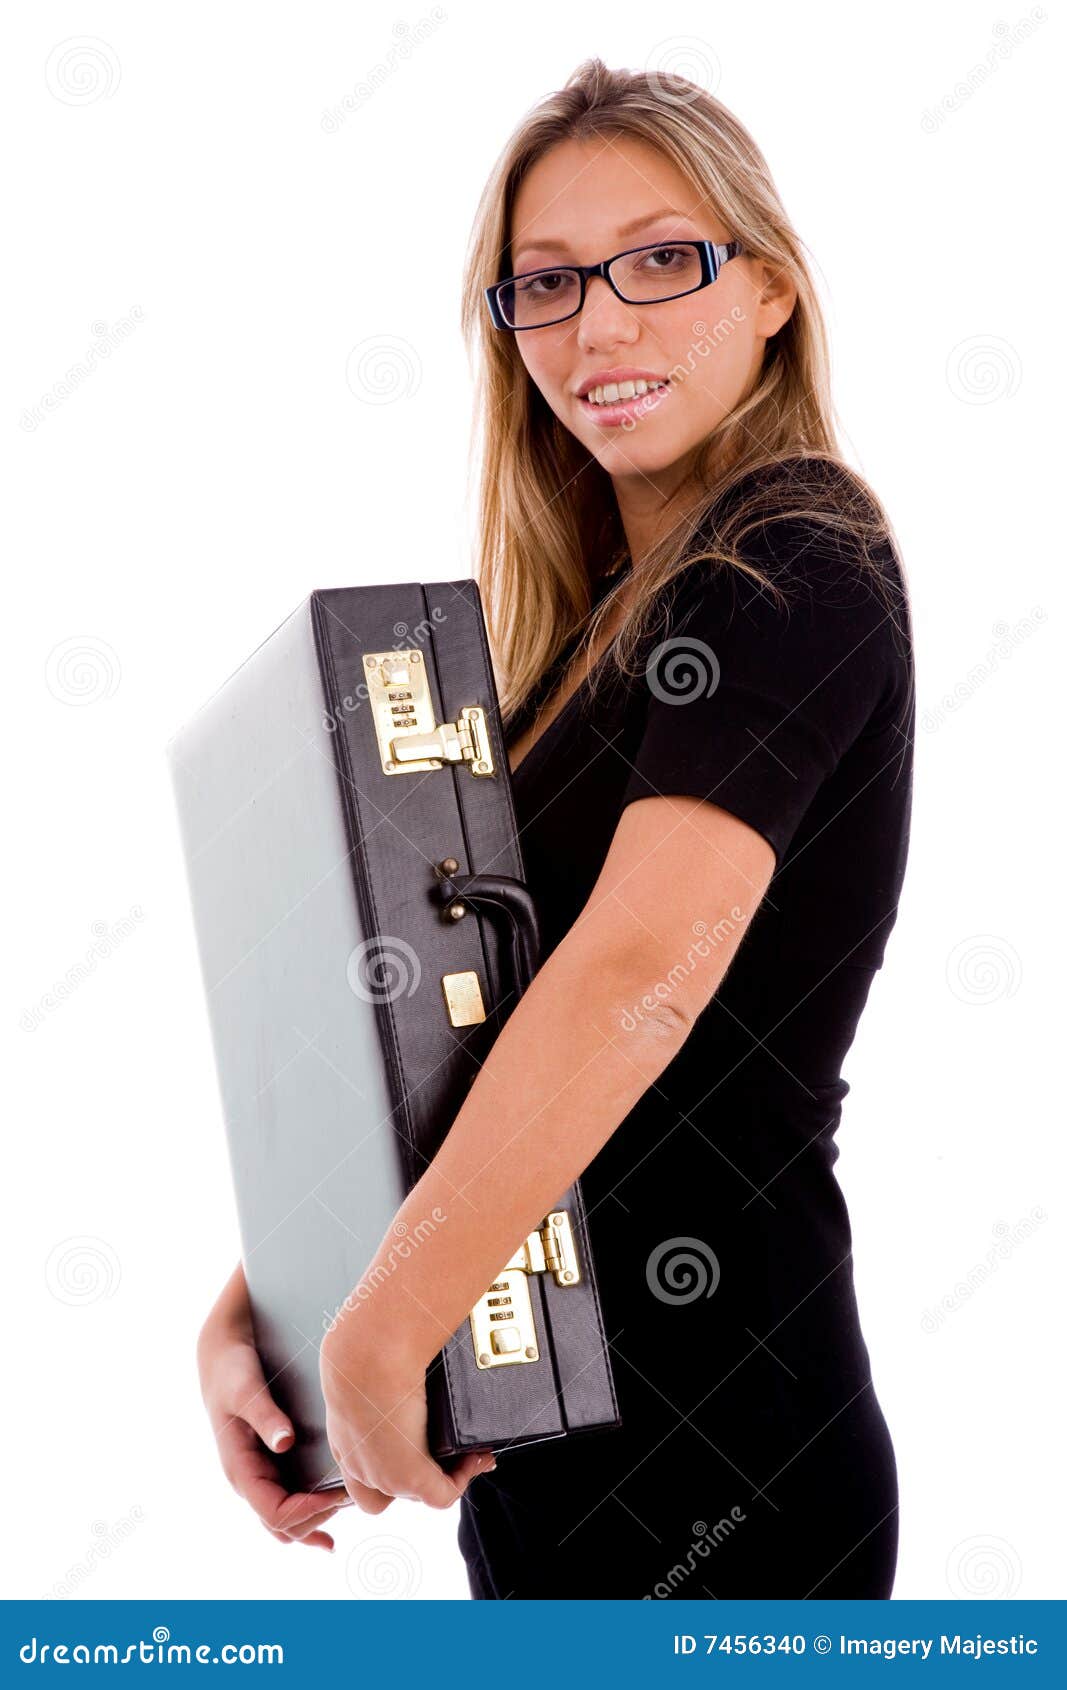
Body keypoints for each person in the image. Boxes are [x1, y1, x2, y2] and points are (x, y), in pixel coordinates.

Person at [197, 57, 915, 1597]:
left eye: (661, 262)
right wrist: (283, 1296)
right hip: (545, 1473)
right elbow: (469, 1029)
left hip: (735, 1466)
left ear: (771, 288)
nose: (599, 326)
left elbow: (640, 972)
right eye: (547, 283)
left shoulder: (793, 558)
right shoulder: (576, 651)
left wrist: (391, 1316)